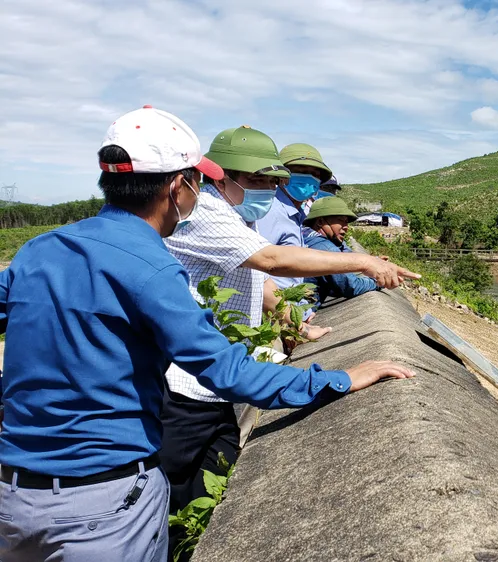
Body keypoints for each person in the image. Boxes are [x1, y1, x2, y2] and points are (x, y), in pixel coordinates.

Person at [0, 106, 416, 562]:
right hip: (103, 506)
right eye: (199, 182)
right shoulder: (152, 268)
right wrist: (338, 379)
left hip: (14, 499)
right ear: (179, 187)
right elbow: (226, 370)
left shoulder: (37, 250)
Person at [159, 127, 416, 544]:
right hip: (184, 386)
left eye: (272, 182)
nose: (267, 190)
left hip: (217, 384)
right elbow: (272, 260)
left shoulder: (238, 216)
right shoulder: (206, 212)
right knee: (167, 506)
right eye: (257, 180)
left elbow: (255, 280)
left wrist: (294, 322)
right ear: (219, 177)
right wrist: (362, 263)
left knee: (204, 493)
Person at [256, 143, 331, 290]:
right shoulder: (270, 211)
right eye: (301, 171)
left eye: (315, 174)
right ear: (281, 176)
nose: (308, 177)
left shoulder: (295, 215)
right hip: (274, 309)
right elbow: (257, 268)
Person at [302, 196, 378, 302]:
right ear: (320, 222)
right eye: (341, 220)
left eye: (346, 222)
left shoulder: (306, 235)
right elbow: (352, 286)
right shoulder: (325, 248)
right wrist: (378, 280)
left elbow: (347, 256)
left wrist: (372, 261)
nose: (346, 226)